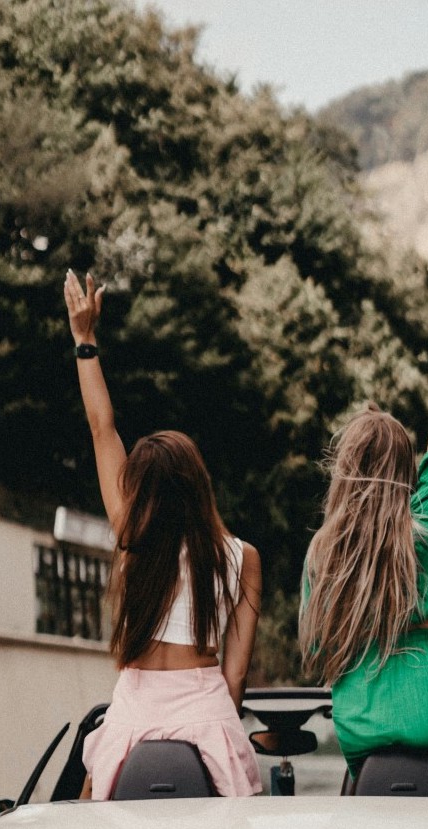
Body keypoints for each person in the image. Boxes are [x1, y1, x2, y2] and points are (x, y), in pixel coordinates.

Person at [299, 271, 428, 797]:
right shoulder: (425, 529)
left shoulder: (323, 551)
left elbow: (321, 649)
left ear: (345, 469)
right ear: (405, 474)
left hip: (359, 726)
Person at [63, 269, 262, 799]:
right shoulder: (242, 557)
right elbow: (236, 675)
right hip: (209, 714)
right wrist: (222, 725)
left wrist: (85, 342)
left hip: (132, 715)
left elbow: (102, 428)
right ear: (199, 485)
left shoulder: (132, 538)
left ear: (141, 491)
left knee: (81, 825)